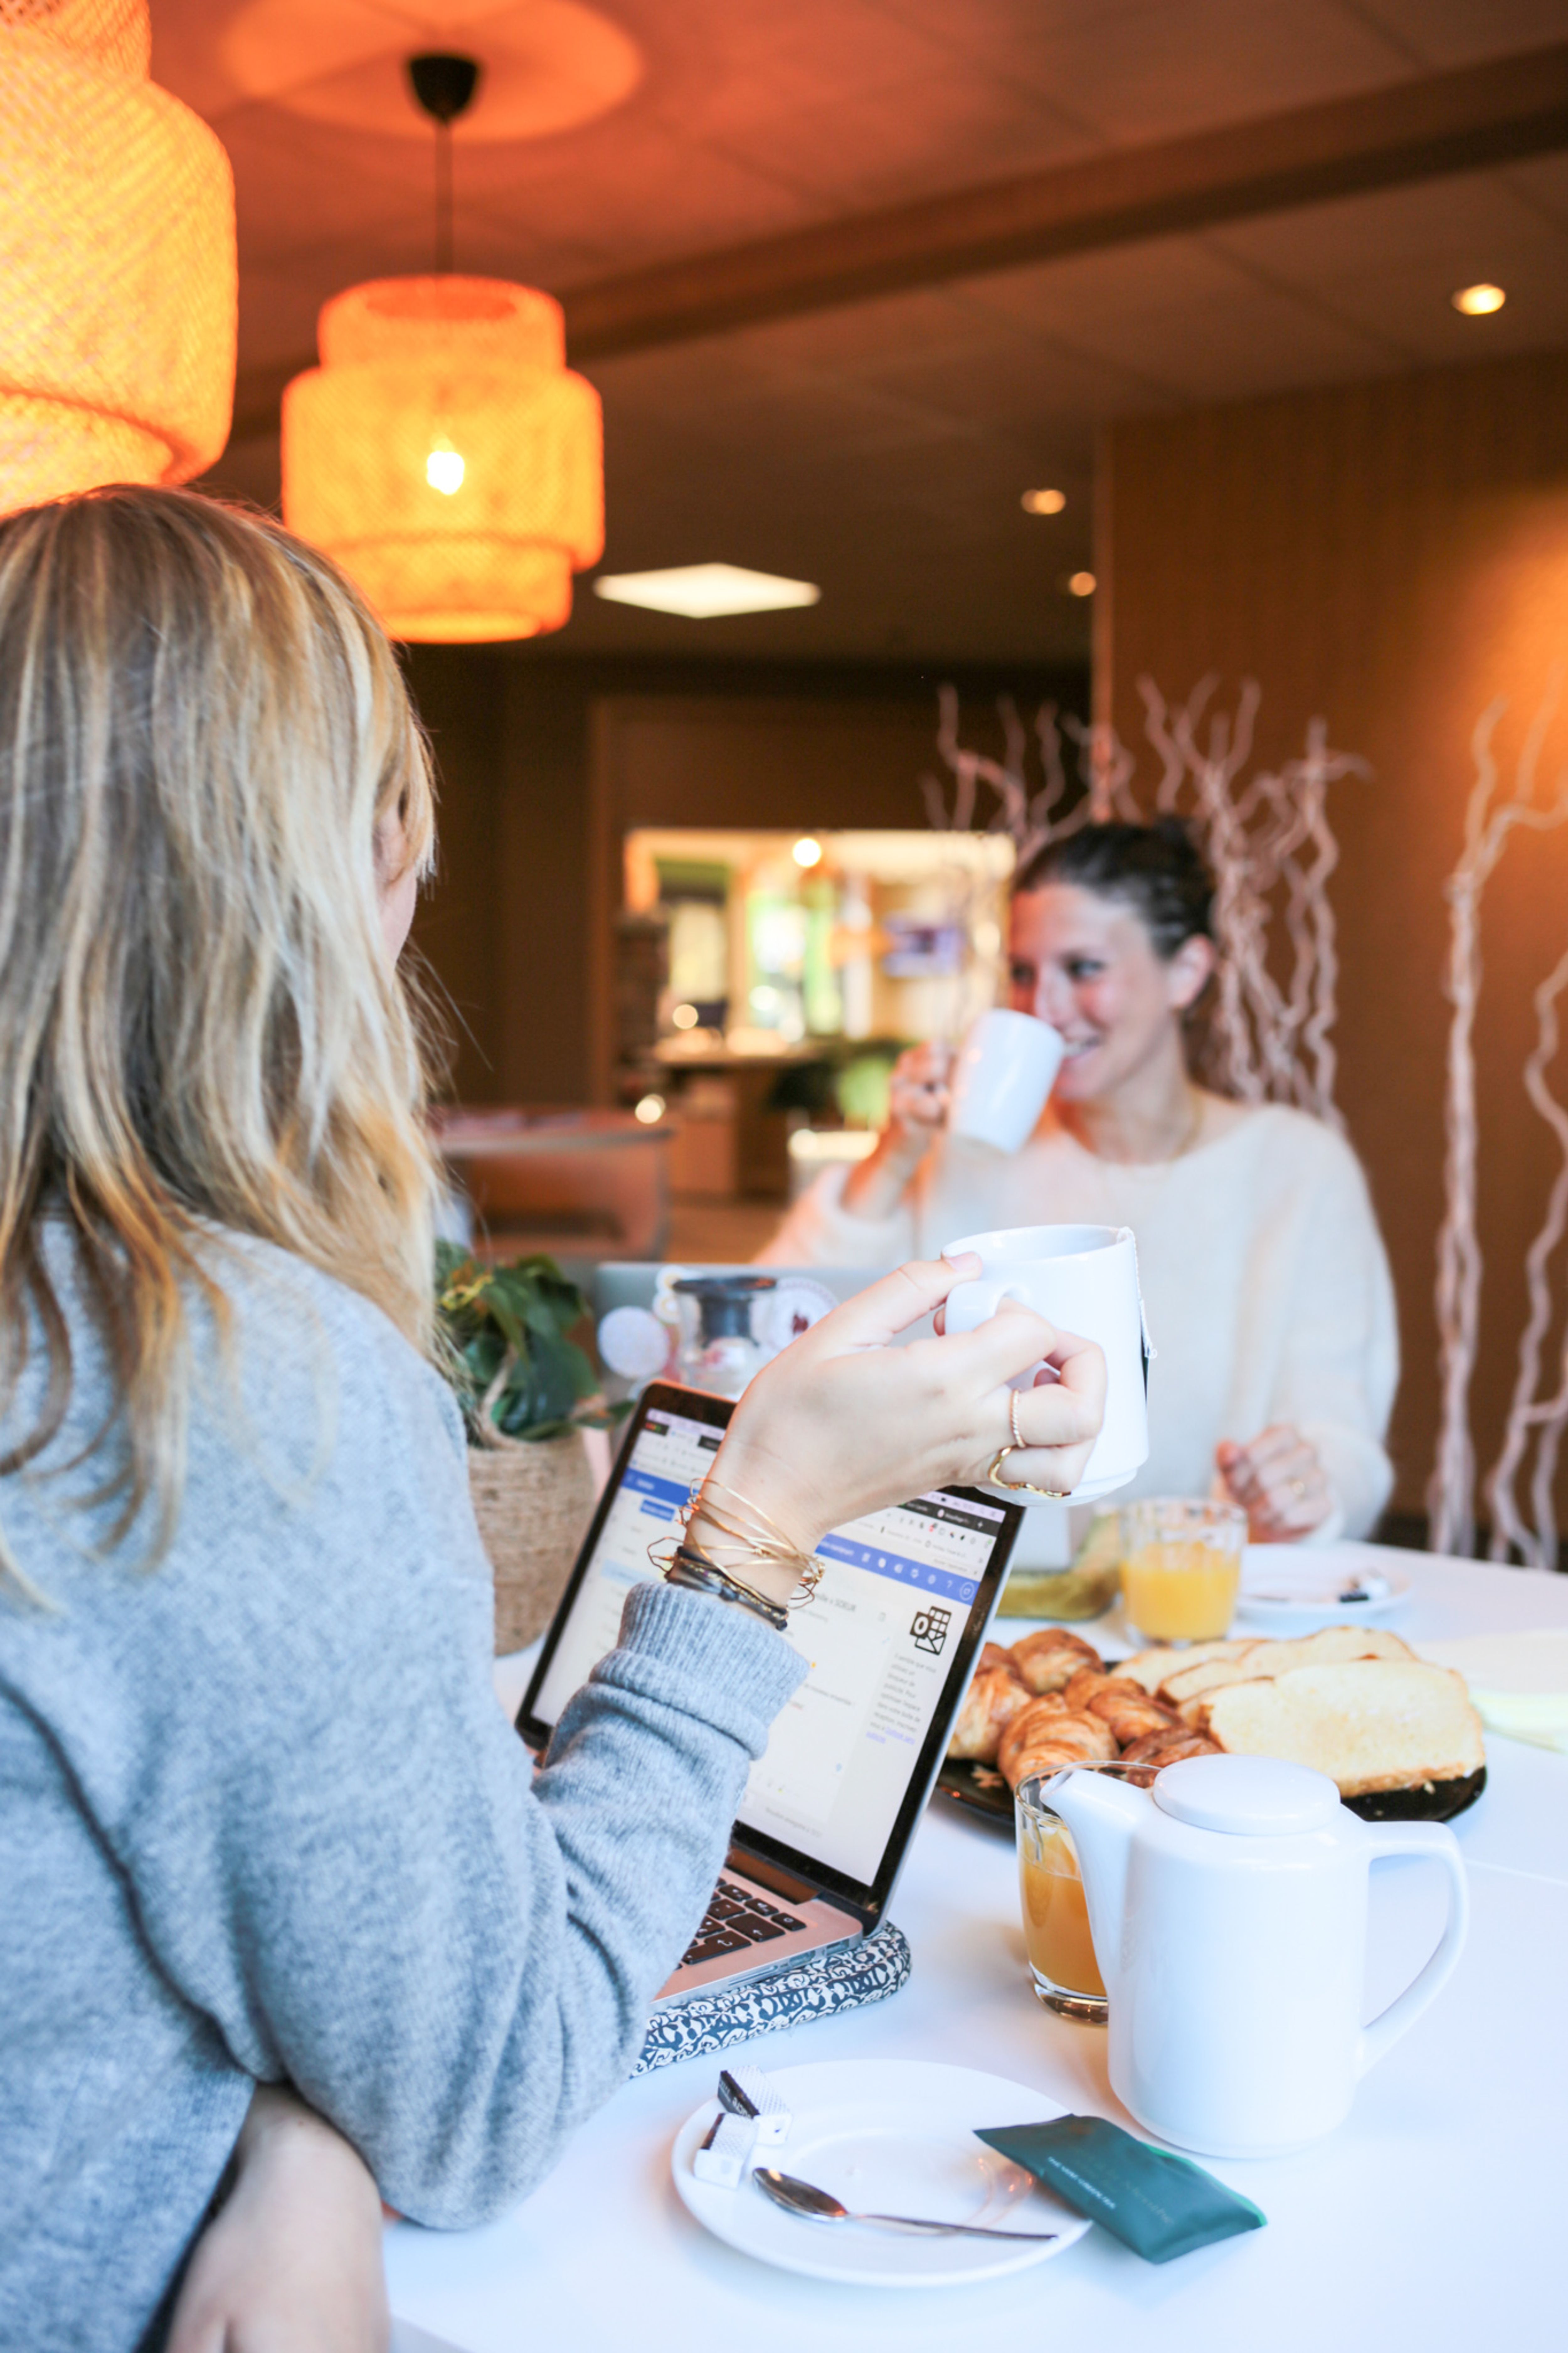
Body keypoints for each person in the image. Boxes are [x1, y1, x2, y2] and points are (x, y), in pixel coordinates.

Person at [0, 486, 1105, 2353]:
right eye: (394, 839)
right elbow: (487, 2093)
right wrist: (754, 1529)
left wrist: (288, 2126)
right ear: (318, 881)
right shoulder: (218, 1369)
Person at [763, 819, 1398, 1544]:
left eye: (1084, 968)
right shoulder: (973, 1153)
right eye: (1024, 973)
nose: (1046, 1008)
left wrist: (1304, 1492)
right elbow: (781, 1343)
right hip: (988, 1580)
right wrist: (893, 1157)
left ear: (1186, 973)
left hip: (1195, 1582)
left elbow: (1340, 1440)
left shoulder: (1298, 1169)